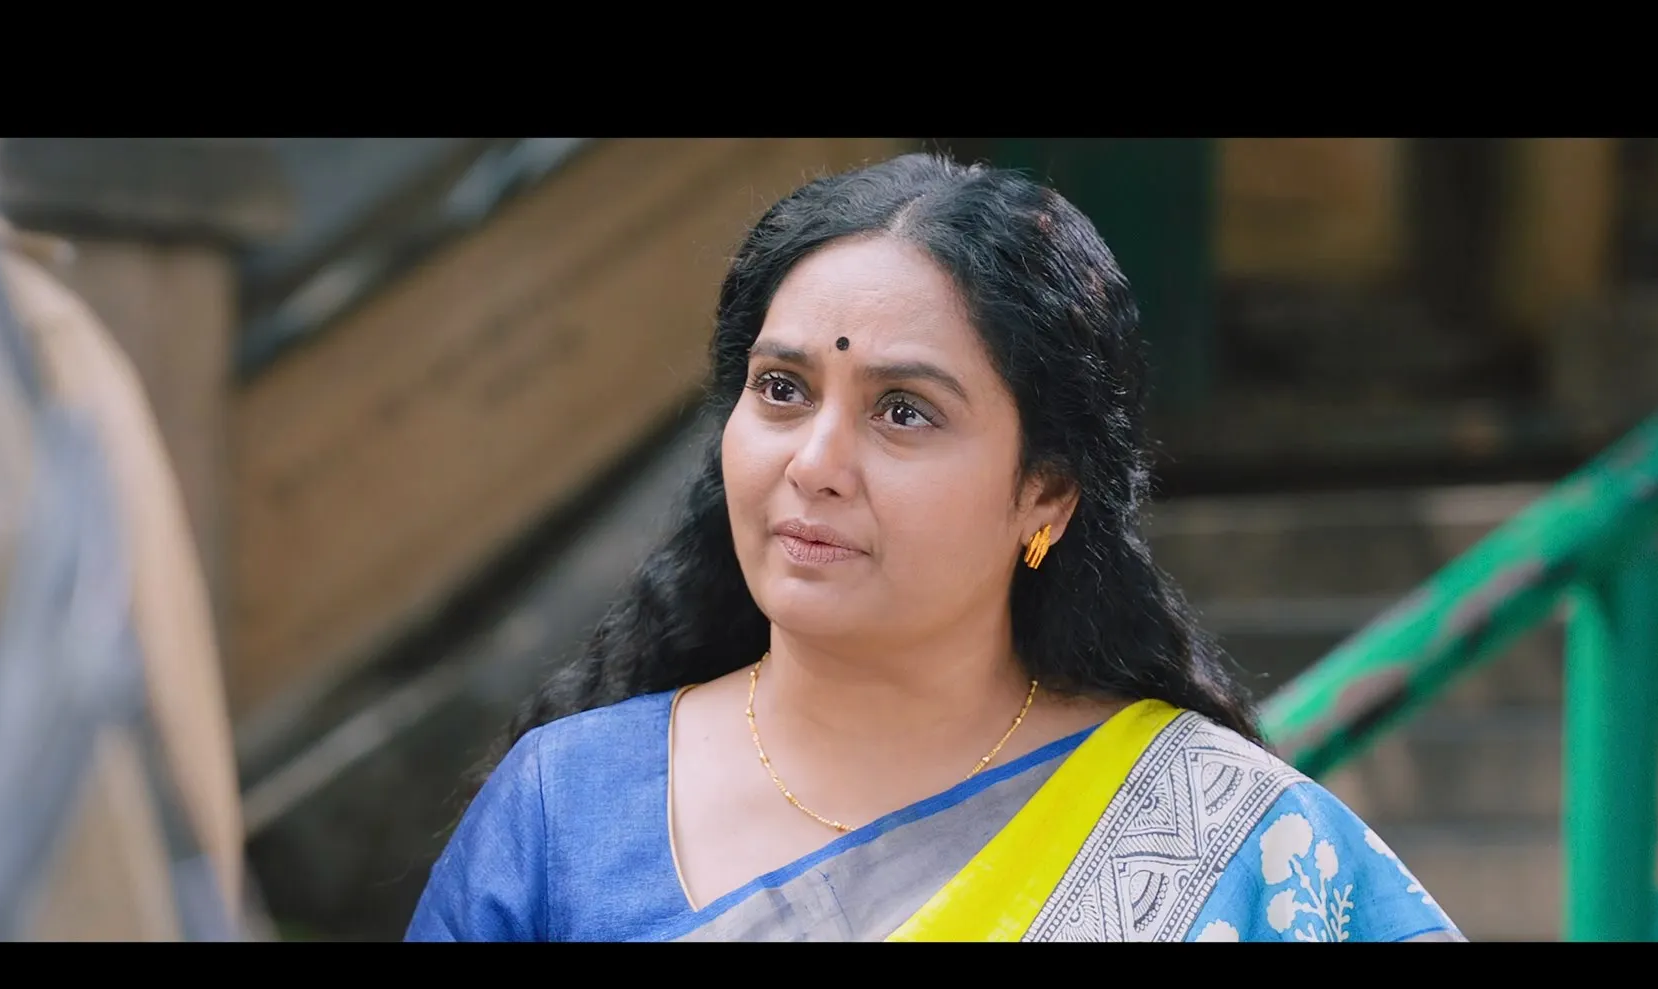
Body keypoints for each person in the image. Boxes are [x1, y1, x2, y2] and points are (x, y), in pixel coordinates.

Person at [405, 151, 1464, 942]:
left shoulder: (1219, 842)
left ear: (1046, 494)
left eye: (904, 411)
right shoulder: (564, 813)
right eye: (782, 390)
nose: (816, 461)